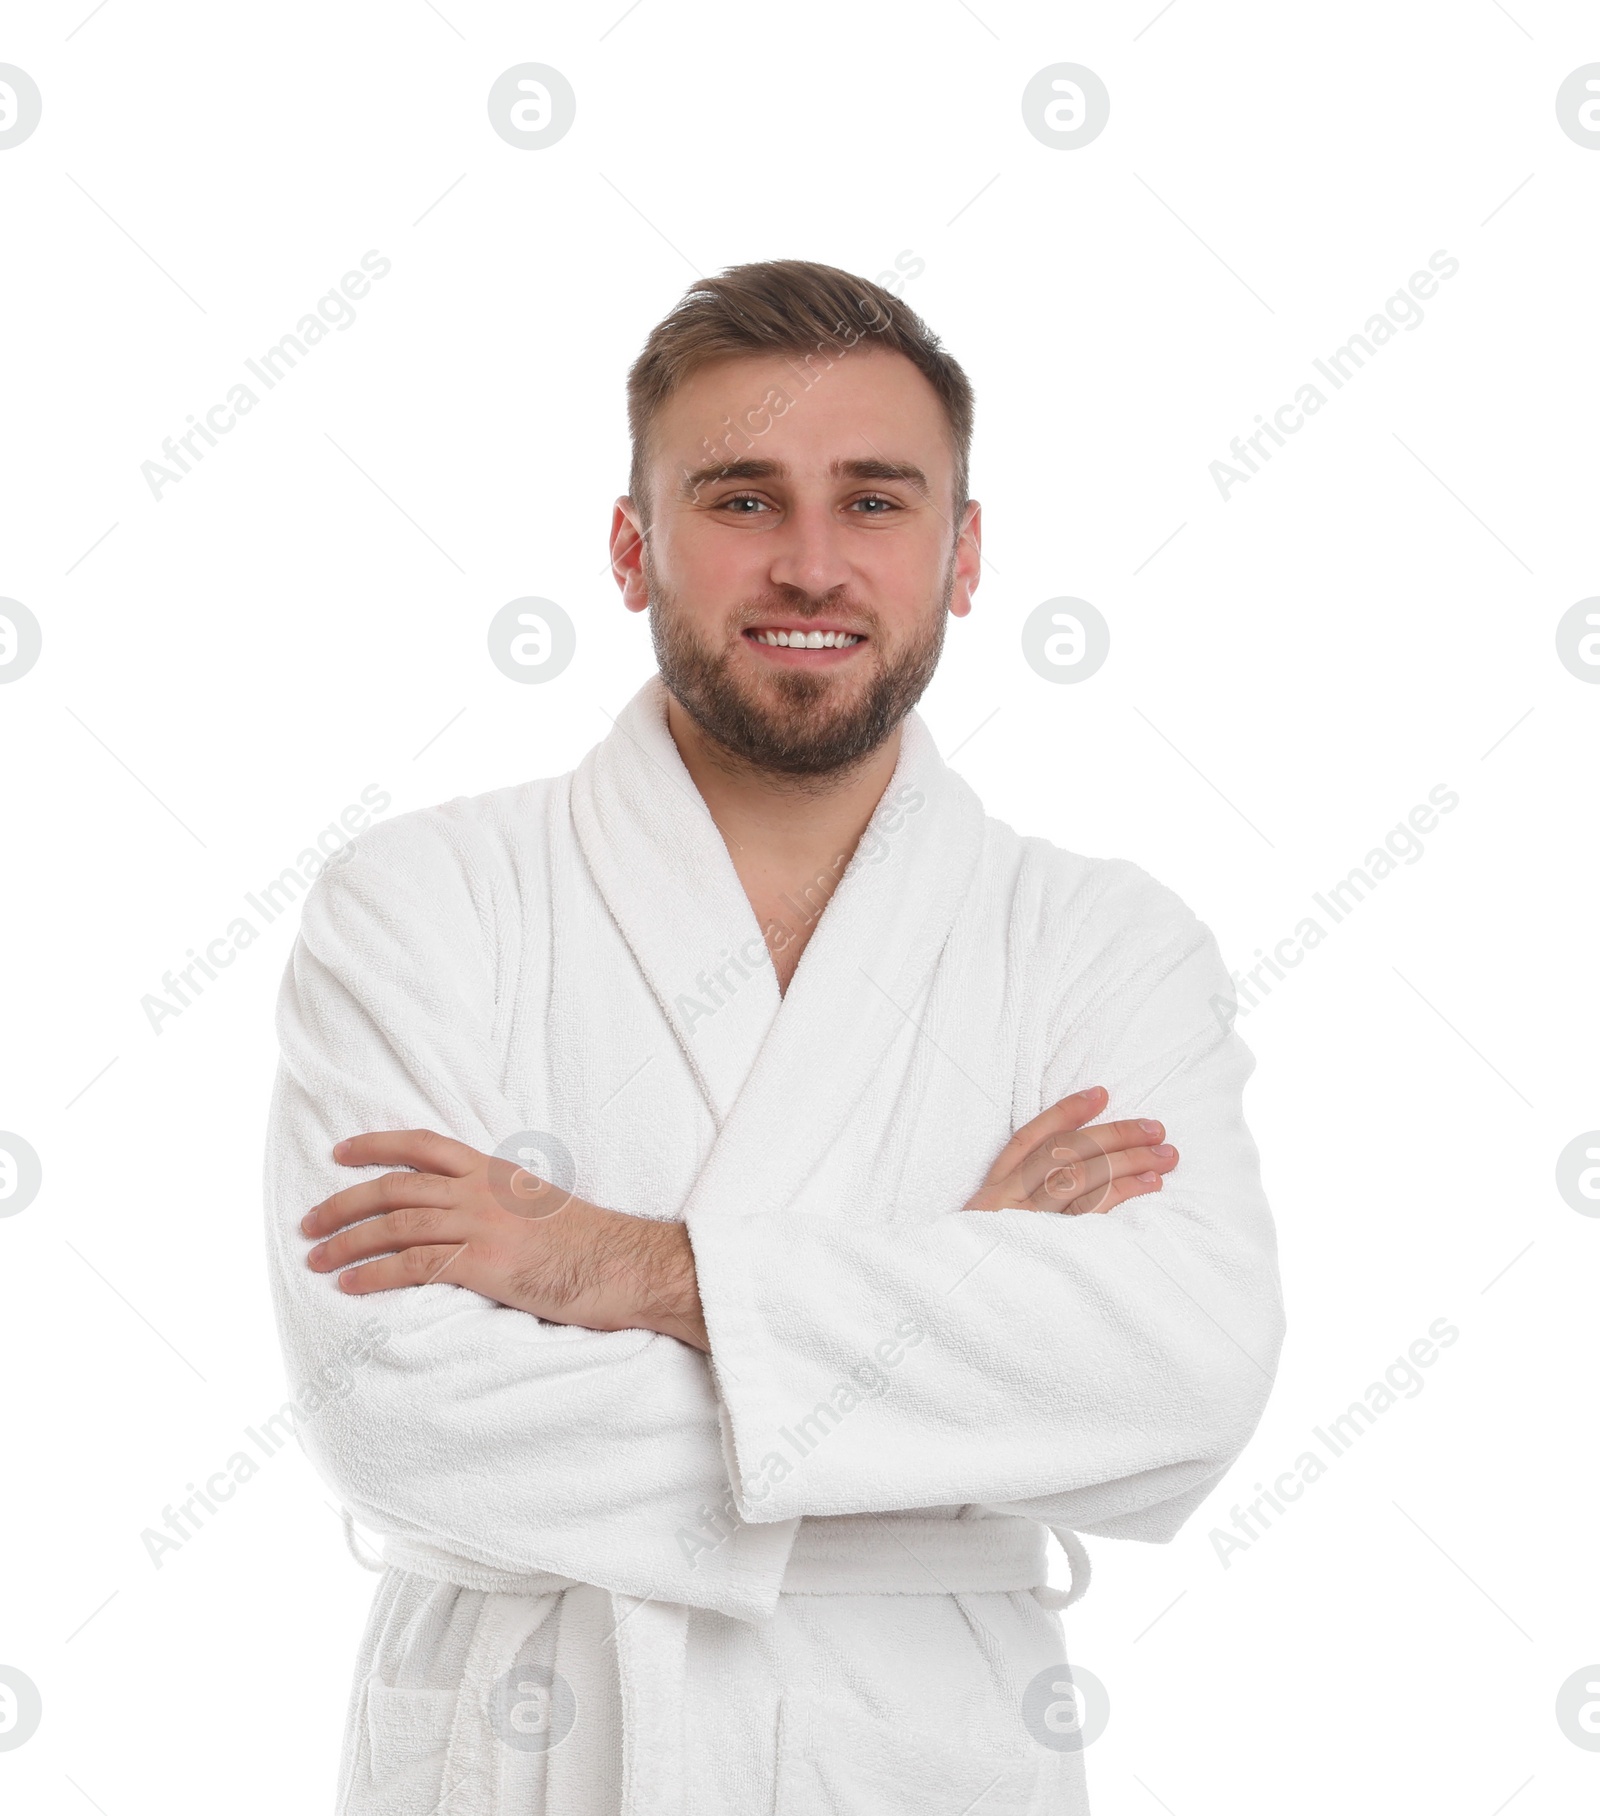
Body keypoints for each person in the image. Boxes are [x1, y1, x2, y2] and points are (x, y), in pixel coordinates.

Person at [263, 258, 1286, 1816]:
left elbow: (1188, 1374)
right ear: (631, 548)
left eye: (875, 502)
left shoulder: (1100, 942)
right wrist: (965, 1314)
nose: (812, 565)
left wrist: (619, 1268)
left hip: (927, 1751)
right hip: (535, 1743)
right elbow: (396, 1413)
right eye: (743, 500)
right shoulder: (422, 902)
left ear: (965, 552)